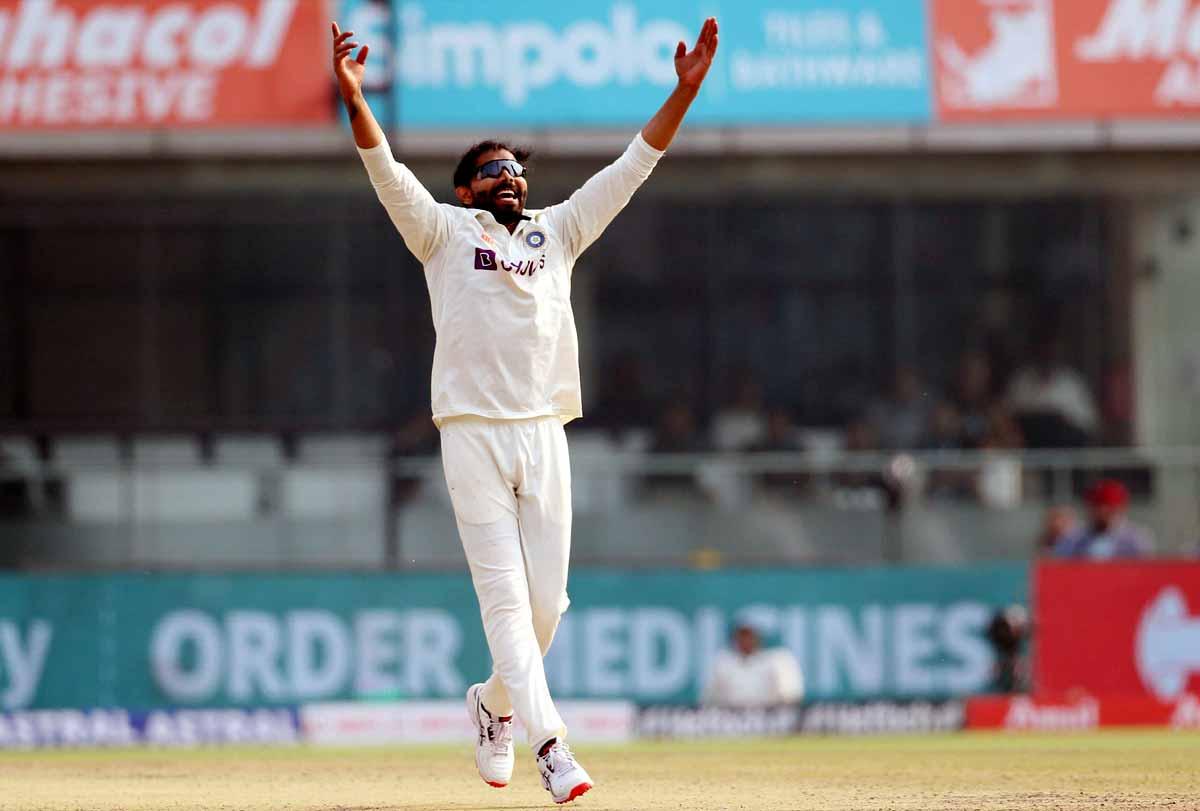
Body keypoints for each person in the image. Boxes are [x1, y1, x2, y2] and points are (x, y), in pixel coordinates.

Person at [331, 17, 719, 804]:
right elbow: (384, 170)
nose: (510, 177)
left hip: (545, 430)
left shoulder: (560, 232)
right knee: (507, 603)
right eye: (493, 171)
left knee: (547, 609)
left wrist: (683, 94)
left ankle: (492, 704)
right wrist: (353, 99)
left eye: (516, 170)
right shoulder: (441, 232)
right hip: (471, 432)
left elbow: (634, 166)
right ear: (467, 190)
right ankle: (552, 746)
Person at [702, 623, 804, 708]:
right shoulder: (723, 662)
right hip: (730, 721)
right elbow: (709, 698)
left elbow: (791, 695)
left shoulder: (777, 660)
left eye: (749, 636)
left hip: (770, 719)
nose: (745, 641)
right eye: (742, 636)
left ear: (758, 638)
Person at [1054, 479, 1152, 559]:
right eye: (1097, 506)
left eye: (1109, 507)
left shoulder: (1135, 538)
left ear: (1121, 508)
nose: (1102, 512)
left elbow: (1144, 571)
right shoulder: (1073, 538)